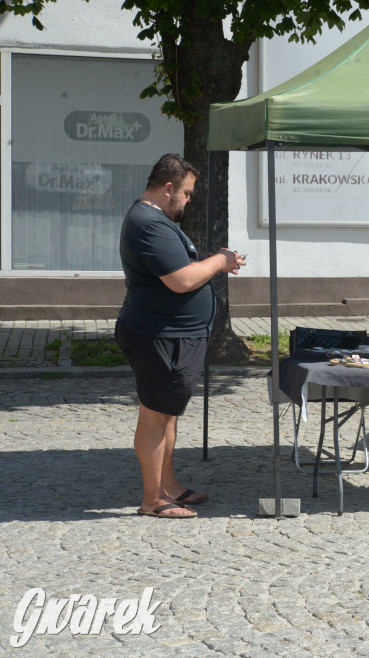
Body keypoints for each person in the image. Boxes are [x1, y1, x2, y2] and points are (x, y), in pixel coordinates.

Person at [115, 154, 245, 518]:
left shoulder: (153, 220)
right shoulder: (148, 222)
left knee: (167, 413)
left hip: (171, 334)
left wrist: (208, 261)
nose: (188, 200)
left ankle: (168, 486)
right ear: (168, 188)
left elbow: (177, 269)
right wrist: (220, 260)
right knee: (155, 416)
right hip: (160, 334)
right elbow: (182, 279)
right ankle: (153, 500)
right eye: (186, 193)